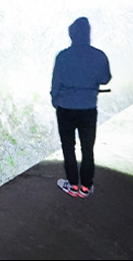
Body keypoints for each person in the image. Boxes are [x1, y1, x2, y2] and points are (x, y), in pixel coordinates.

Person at [50, 16, 111, 198]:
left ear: (71, 35)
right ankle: (85, 187)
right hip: (88, 109)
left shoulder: (62, 57)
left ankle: (72, 185)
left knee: (68, 148)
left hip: (65, 109)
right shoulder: (99, 56)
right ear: (88, 34)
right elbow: (105, 78)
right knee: (87, 148)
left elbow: (56, 84)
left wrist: (55, 101)